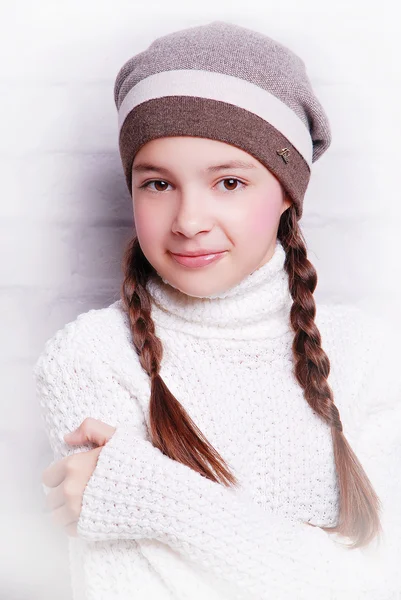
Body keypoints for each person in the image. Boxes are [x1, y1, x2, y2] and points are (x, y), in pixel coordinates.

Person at [33, 20, 401, 600]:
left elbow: (378, 584)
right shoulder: (90, 357)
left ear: (286, 192)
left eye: (229, 182)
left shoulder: (365, 355)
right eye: (157, 184)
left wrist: (145, 493)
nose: (187, 220)